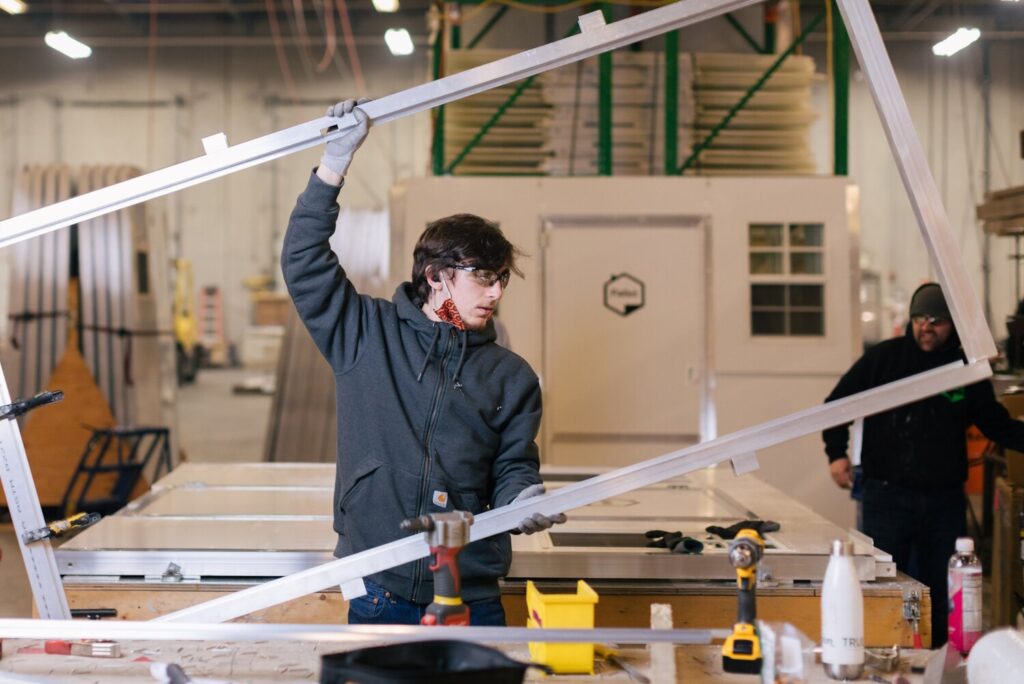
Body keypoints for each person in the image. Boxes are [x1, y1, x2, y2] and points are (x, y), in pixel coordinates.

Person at [281, 99, 565, 626]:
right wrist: (333, 163)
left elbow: (511, 463)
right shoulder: (366, 333)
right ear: (436, 276)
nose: (496, 291)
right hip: (380, 581)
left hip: (472, 588)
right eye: (484, 276)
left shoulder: (512, 376)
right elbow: (303, 260)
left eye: (503, 278)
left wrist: (522, 497)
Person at [823, 282, 1024, 646]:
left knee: (939, 590)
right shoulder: (884, 359)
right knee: (885, 585)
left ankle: (934, 661)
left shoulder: (965, 369)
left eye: (936, 321)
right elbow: (838, 403)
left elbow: (996, 424)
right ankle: (884, 654)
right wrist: (836, 452)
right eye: (919, 319)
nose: (926, 328)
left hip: (942, 501)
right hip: (886, 496)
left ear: (953, 326)